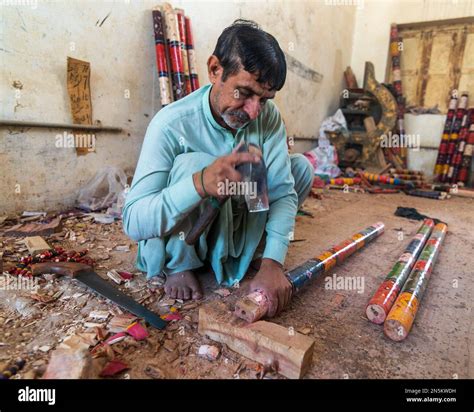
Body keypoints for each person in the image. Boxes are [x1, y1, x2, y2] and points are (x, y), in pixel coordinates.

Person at [123, 19, 314, 317]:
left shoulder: (267, 116)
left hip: (237, 217)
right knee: (196, 164)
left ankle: (251, 250)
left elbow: (282, 192)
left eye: (264, 100)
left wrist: (273, 262)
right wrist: (199, 183)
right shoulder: (171, 124)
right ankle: (180, 263)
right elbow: (134, 222)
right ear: (215, 70)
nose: (253, 111)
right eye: (244, 93)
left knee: (300, 168)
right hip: (187, 233)